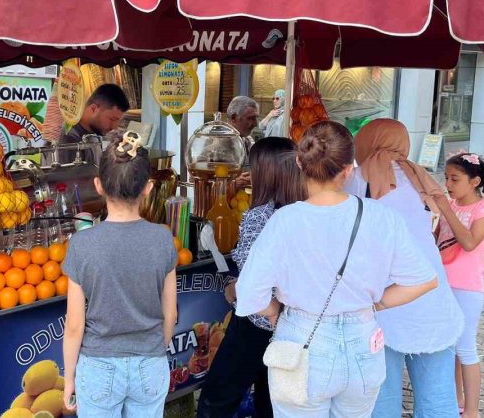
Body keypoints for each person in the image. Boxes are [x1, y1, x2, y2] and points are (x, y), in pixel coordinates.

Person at [235, 121, 439, 418]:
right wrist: (376, 303)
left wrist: (275, 312)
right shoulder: (381, 216)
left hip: (302, 337)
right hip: (363, 341)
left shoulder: (285, 220)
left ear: (298, 163)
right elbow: (424, 280)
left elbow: (248, 294)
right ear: (349, 170)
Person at [345, 119, 464, 418]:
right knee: (438, 399)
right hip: (431, 300)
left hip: (383, 302)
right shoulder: (421, 178)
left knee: (380, 397)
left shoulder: (356, 180)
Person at [62, 131, 177, 418]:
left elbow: (75, 325)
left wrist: (69, 379)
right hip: (149, 363)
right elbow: (170, 314)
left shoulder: (81, 244)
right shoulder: (163, 239)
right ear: (148, 188)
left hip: (99, 366)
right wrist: (152, 348)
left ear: (98, 185)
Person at [198, 137, 306, 418]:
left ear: (266, 173)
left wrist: (231, 288)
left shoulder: (260, 215)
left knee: (216, 399)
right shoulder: (308, 212)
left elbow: (250, 283)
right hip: (295, 326)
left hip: (256, 324)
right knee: (271, 402)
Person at [434, 153, 484, 418]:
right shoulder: (450, 205)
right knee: (450, 347)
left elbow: (469, 243)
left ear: (474, 181)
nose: (448, 184)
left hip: (467, 287)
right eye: (446, 177)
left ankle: (472, 410)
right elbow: (437, 241)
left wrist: (447, 210)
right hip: (442, 283)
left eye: (455, 179)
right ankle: (455, 400)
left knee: (465, 347)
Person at [58, 84, 130, 164]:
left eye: (118, 121)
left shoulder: (95, 133)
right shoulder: (68, 137)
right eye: (112, 119)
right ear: (93, 109)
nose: (114, 126)